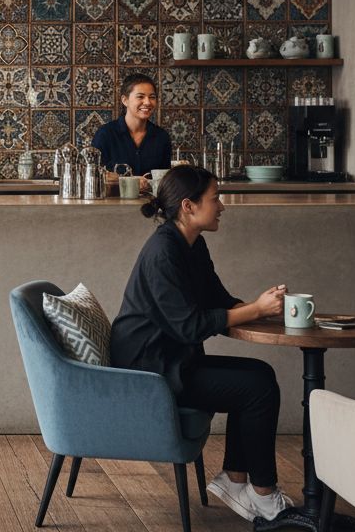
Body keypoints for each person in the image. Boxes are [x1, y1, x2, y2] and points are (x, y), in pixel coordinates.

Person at [110, 165, 294, 522]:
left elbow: (217, 300)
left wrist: (263, 312)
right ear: (188, 206)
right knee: (255, 388)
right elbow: (190, 325)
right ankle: (263, 493)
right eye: (215, 198)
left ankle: (237, 481)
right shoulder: (164, 252)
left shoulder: (192, 244)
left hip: (174, 358)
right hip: (151, 370)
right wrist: (254, 309)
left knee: (260, 375)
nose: (222, 206)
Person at [90, 73, 172, 184]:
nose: (147, 102)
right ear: (125, 100)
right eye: (140, 97)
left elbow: (166, 180)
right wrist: (130, 181)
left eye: (152, 97)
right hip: (112, 200)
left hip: (151, 200)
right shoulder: (105, 134)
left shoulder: (162, 137)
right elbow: (92, 175)